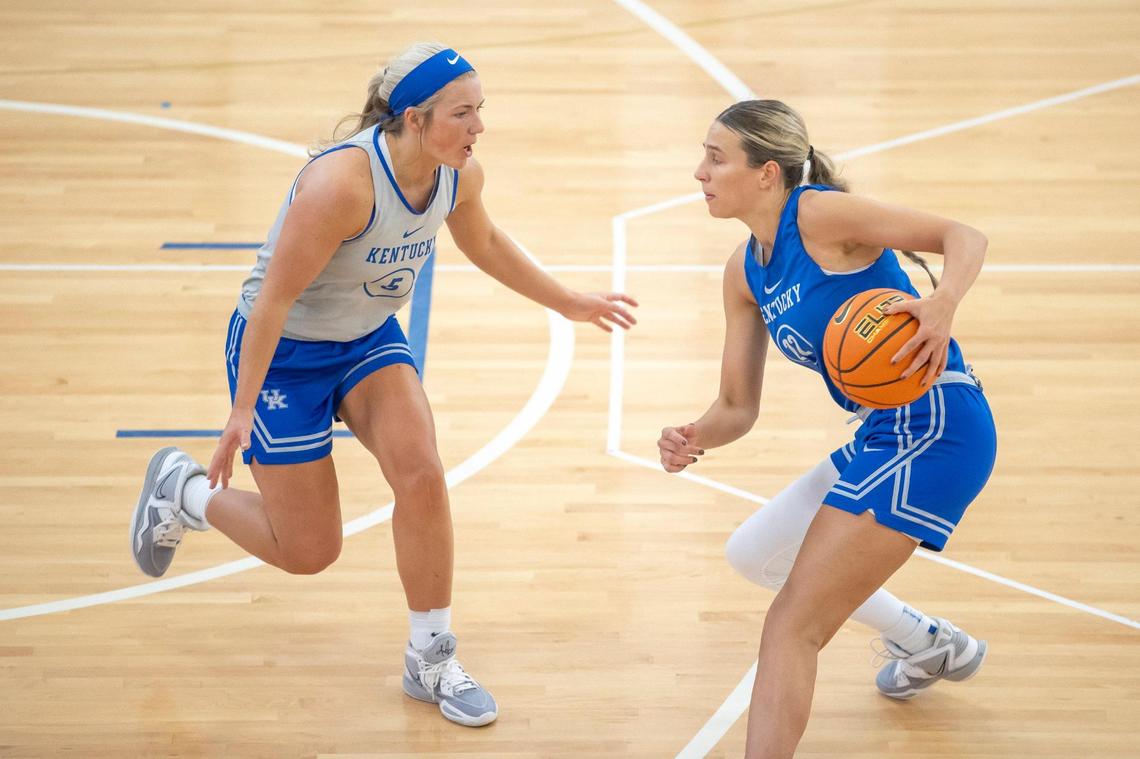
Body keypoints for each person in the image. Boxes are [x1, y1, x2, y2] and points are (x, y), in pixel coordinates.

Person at [128, 42, 638, 729]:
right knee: (309, 550)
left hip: (367, 336)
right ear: (414, 121)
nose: (479, 126)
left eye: (480, 110)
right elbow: (273, 301)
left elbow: (484, 244)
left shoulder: (457, 174)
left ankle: (430, 656)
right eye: (463, 113)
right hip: (285, 353)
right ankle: (183, 491)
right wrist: (241, 408)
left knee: (422, 470)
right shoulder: (341, 186)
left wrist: (569, 301)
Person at [656, 100, 996, 758]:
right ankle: (929, 642)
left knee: (792, 624)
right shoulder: (744, 271)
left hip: (937, 425)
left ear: (767, 173)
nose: (700, 171)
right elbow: (736, 405)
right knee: (755, 552)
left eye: (716, 157)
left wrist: (942, 303)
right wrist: (693, 432)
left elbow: (964, 236)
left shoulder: (817, 214)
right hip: (883, 432)